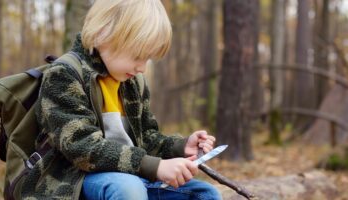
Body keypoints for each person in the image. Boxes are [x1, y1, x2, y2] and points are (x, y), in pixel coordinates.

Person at [21, 0, 222, 199]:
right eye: (137, 56)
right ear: (104, 34)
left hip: (132, 178)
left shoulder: (132, 83)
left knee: (204, 194)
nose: (142, 67)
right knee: (128, 189)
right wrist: (154, 166)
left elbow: (147, 138)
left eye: (147, 58)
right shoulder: (65, 75)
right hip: (72, 182)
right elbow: (81, 146)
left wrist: (180, 147)